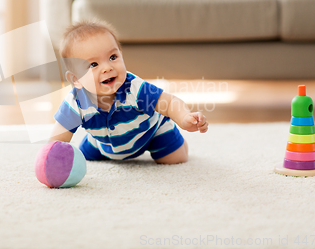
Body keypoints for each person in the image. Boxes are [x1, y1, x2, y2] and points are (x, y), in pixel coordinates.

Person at [49, 19, 208, 164]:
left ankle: (174, 138)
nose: (107, 67)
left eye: (112, 57)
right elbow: (59, 136)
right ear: (76, 79)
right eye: (93, 65)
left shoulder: (135, 88)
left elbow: (169, 102)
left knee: (176, 159)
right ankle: (95, 143)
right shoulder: (75, 103)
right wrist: (52, 158)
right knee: (83, 158)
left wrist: (184, 117)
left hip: (150, 134)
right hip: (102, 144)